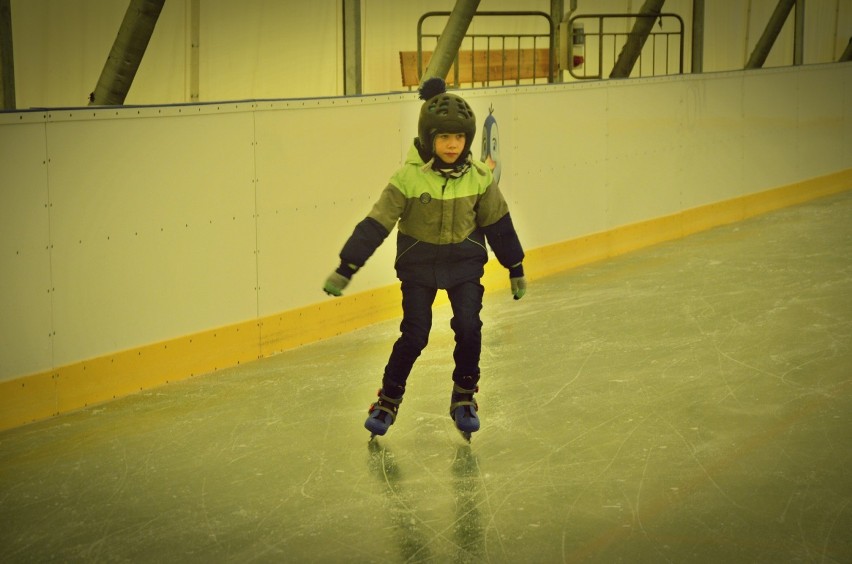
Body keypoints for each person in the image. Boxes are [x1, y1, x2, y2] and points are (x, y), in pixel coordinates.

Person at [322, 77, 527, 440]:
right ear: (428, 136)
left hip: (464, 265)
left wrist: (515, 266)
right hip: (419, 267)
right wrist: (347, 266)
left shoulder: (479, 178)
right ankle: (387, 400)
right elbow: (377, 223)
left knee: (469, 328)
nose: (452, 145)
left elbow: (499, 223)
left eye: (460, 138)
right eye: (444, 137)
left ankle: (464, 397)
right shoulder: (409, 179)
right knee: (415, 335)